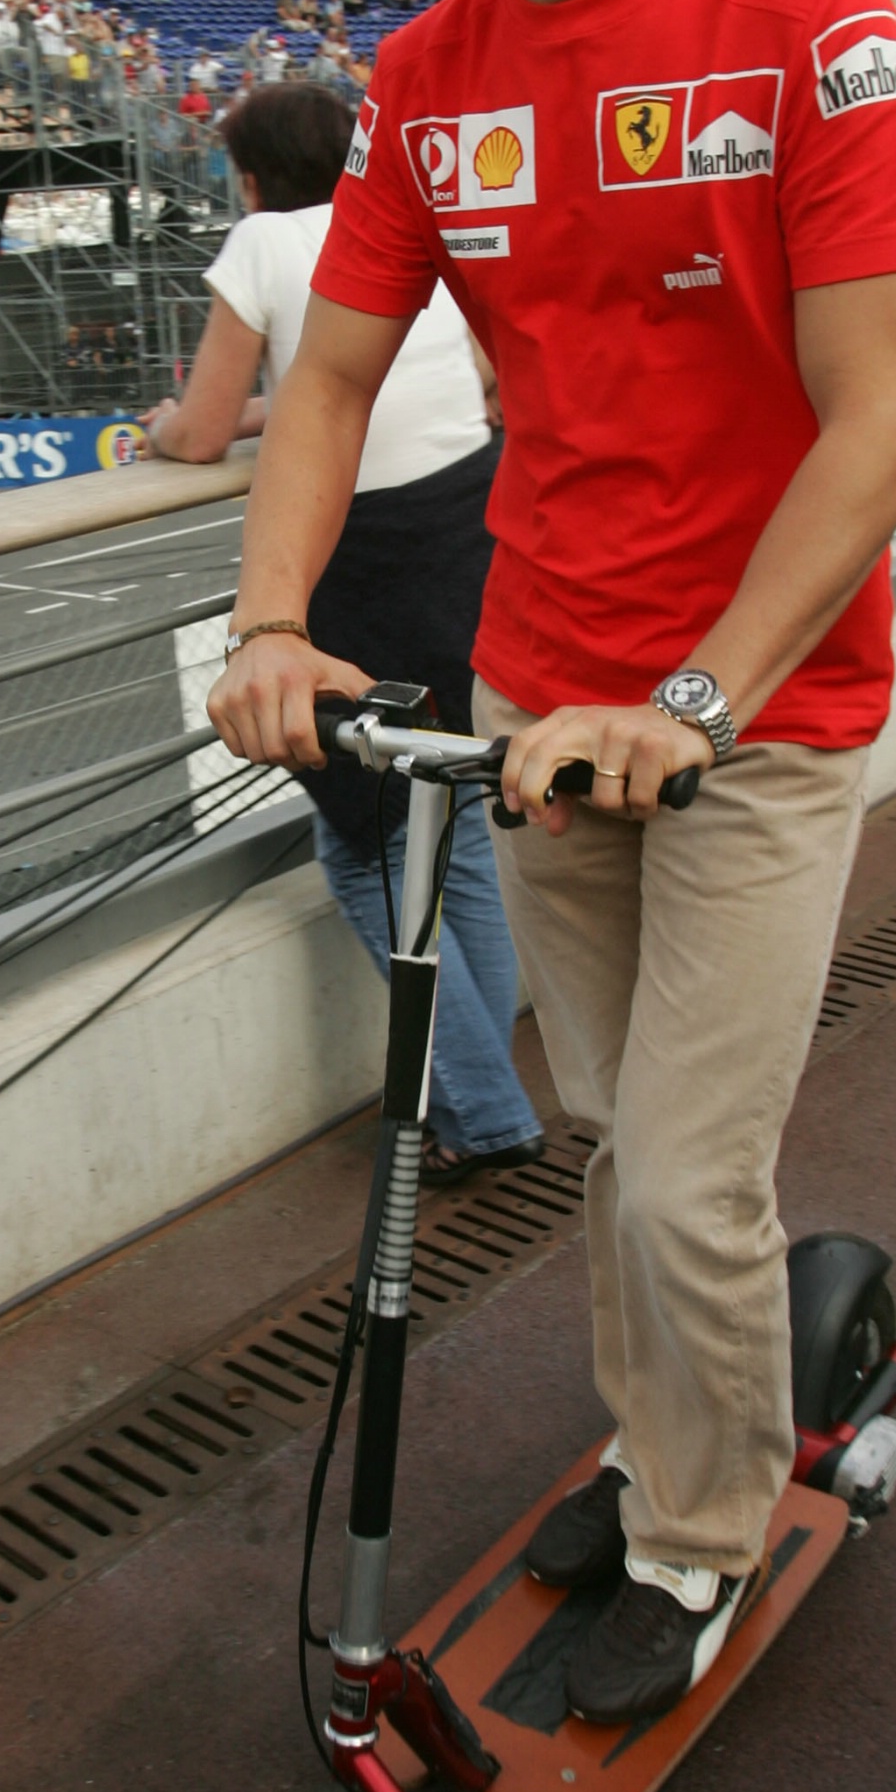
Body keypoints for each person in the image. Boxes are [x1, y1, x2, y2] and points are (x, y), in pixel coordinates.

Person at [206, 0, 896, 1725]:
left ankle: (703, 1535)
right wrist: (263, 623)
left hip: (755, 715)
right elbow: (325, 379)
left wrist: (701, 696)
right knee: (626, 1155)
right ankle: (660, 1449)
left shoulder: (808, 22)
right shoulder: (426, 80)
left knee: (691, 1178)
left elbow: (880, 413)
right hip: (541, 706)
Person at [149, 81, 543, 1182]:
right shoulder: (403, 213)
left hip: (358, 560)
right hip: (463, 532)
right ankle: (487, 1073)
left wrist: (159, 427)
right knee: (452, 828)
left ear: (251, 172)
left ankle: (482, 1109)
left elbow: (204, 428)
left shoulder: (262, 241)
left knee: (362, 843)